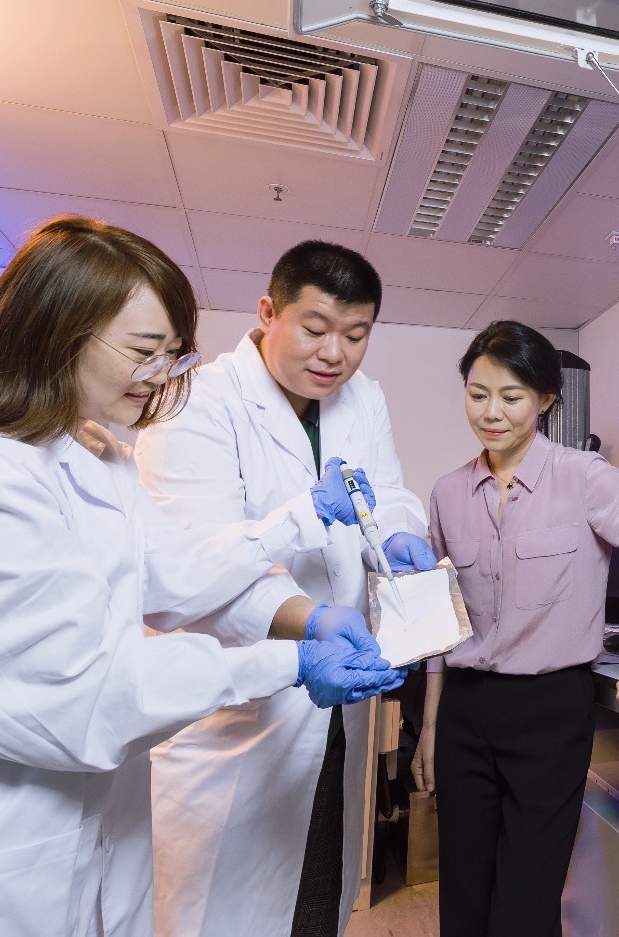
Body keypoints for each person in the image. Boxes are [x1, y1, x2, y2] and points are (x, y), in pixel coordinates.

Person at [0, 217, 403, 937]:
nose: (161, 375)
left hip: (69, 847)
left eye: (171, 353)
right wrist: (288, 661)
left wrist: (298, 541)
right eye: (143, 351)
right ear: (57, 332)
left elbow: (178, 571)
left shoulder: (95, 459)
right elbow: (84, 693)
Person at [134, 240, 438, 937]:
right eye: (316, 328)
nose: (336, 354)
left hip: (336, 709)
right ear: (269, 313)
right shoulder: (198, 401)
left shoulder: (365, 397)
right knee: (223, 913)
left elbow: (388, 492)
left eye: (356, 335)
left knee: (320, 891)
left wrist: (397, 532)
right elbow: (194, 572)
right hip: (241, 717)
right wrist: (313, 622)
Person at [414, 320, 619, 937]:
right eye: (478, 394)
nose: (491, 412)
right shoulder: (447, 493)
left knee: (526, 904)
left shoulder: (585, 477)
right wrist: (431, 727)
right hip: (464, 711)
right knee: (464, 896)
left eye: (511, 396)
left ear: (546, 399)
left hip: (549, 710)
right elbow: (442, 621)